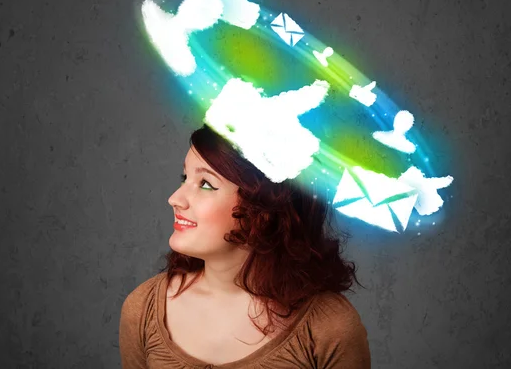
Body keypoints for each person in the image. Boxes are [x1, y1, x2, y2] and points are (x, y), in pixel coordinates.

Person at [119, 123, 371, 368]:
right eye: (184, 178)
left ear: (264, 208)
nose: (175, 199)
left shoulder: (330, 327)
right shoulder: (142, 309)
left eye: (205, 184)